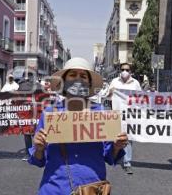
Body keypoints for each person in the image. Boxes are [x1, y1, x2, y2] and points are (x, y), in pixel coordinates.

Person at [29, 57, 128, 195]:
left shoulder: (102, 114)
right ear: (63, 81)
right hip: (54, 189)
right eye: (72, 75)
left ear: (89, 83)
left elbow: (110, 156)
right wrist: (39, 148)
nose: (78, 80)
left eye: (83, 76)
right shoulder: (50, 114)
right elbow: (38, 160)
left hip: (92, 189)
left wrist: (117, 147)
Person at [108, 62, 142, 174]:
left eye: (127, 70)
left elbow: (141, 98)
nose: (124, 71)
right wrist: (110, 92)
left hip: (130, 115)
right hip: (117, 115)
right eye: (123, 69)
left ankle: (127, 162)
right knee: (116, 137)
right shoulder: (114, 82)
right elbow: (107, 96)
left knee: (129, 138)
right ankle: (114, 157)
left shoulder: (135, 83)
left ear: (131, 71)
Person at [18, 70, 42, 161]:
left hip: (34, 113)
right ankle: (32, 153)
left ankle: (34, 152)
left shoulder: (36, 86)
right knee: (30, 134)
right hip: (27, 113)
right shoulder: (22, 86)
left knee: (32, 134)